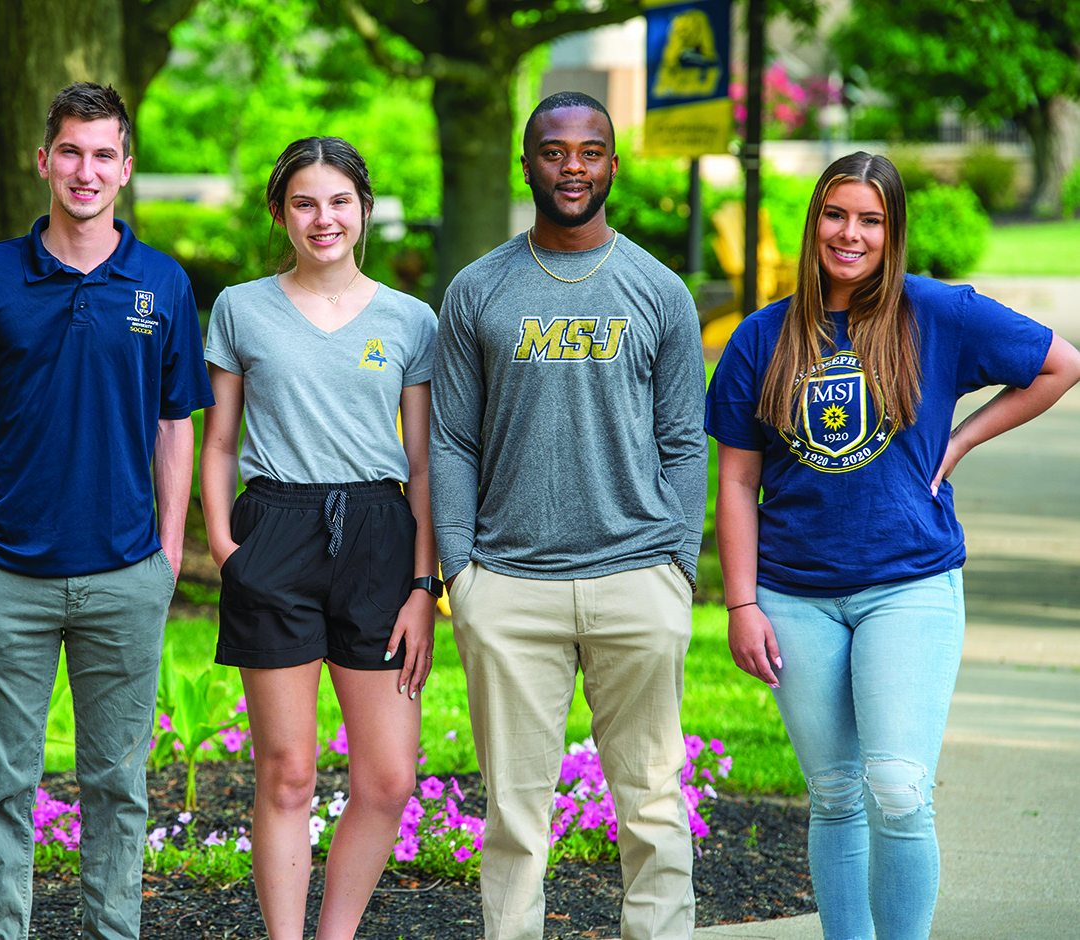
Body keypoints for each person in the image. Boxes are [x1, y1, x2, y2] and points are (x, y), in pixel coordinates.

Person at [705, 151, 1080, 940]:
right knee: (838, 792)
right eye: (836, 214)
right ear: (815, 222)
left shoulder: (938, 313)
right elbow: (736, 483)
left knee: (899, 787)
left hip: (908, 584)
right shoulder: (761, 336)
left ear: (892, 229)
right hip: (792, 593)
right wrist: (741, 602)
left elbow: (1059, 364)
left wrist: (966, 438)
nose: (851, 233)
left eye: (870, 219)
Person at [0, 82, 212, 940]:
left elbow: (177, 425)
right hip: (7, 573)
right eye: (70, 152)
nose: (84, 171)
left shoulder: (162, 283)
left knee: (119, 786)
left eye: (103, 155)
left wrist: (168, 551)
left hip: (126, 573)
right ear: (43, 160)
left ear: (126, 168)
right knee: (3, 784)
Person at [429, 91, 706, 940]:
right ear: (528, 165)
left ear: (613, 165)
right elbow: (449, 441)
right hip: (510, 588)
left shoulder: (658, 290)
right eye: (554, 151)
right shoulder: (478, 289)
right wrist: (459, 574)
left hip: (636, 579)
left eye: (590, 151)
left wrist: (676, 569)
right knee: (514, 818)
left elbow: (686, 441)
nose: (572, 166)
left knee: (654, 805)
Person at [199, 136, 438, 940]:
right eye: (305, 202)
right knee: (288, 772)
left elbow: (422, 463)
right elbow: (221, 442)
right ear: (281, 214)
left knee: (387, 776)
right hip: (275, 530)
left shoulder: (412, 320)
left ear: (365, 211)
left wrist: (421, 585)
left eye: (340, 201)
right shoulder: (240, 306)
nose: (323, 218)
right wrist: (229, 553)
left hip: (379, 537)